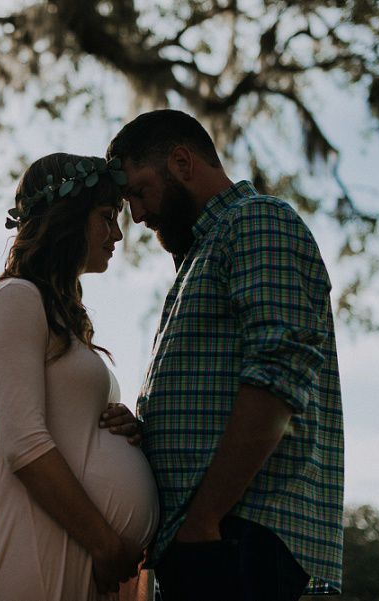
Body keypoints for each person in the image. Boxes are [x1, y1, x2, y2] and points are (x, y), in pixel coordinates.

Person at [104, 109, 345, 600]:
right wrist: (145, 432)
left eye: (138, 191)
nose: (137, 215)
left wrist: (205, 519)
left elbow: (278, 372)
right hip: (207, 541)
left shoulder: (257, 221)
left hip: (240, 535)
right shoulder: (202, 252)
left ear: (181, 162)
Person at [0, 153, 160, 601]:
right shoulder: (16, 298)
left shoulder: (60, 317)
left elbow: (69, 428)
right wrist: (105, 544)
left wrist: (124, 428)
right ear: (67, 218)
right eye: (106, 217)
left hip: (69, 550)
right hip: (33, 549)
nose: (118, 234)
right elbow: (23, 442)